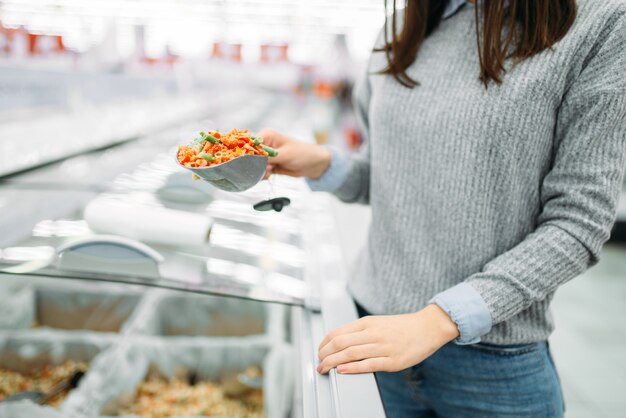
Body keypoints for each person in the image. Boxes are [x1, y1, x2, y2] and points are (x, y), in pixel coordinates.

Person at [260, 0, 626, 416]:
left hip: (493, 370)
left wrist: (437, 321)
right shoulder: (399, 28)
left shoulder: (601, 22)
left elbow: (579, 222)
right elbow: (390, 178)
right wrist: (324, 164)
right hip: (371, 337)